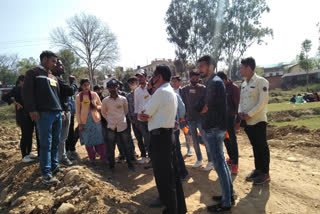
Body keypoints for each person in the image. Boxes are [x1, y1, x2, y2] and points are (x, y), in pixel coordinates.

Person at [139, 65, 187, 214]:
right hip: (167, 136)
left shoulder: (160, 92)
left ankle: (171, 209)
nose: (150, 79)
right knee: (172, 175)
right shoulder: (170, 90)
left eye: (153, 76)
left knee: (165, 176)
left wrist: (144, 114)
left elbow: (144, 114)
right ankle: (180, 208)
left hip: (160, 138)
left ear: (158, 77)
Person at [197, 55, 234, 213]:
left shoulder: (214, 83)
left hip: (213, 128)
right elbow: (204, 105)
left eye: (202, 66)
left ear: (211, 67)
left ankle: (226, 202)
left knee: (219, 164)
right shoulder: (214, 82)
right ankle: (229, 195)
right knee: (222, 163)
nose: (200, 70)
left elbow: (205, 106)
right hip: (216, 127)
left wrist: (201, 108)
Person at [23, 50, 62, 185]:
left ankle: (54, 166)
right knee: (46, 144)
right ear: (44, 59)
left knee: (56, 141)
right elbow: (27, 93)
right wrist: (32, 110)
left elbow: (57, 94)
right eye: (53, 61)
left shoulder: (53, 77)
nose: (55, 64)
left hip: (57, 112)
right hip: (43, 113)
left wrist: (60, 109)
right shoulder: (33, 73)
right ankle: (46, 174)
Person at [238, 57, 270, 185]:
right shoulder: (244, 84)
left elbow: (262, 102)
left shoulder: (261, 82)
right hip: (247, 121)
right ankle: (258, 170)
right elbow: (241, 101)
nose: (240, 70)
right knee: (255, 146)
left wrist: (249, 114)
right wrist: (240, 112)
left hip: (258, 120)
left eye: (242, 67)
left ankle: (265, 173)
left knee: (262, 147)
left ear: (249, 68)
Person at [2, 75, 39, 163]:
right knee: (25, 135)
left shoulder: (28, 90)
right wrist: (15, 103)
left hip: (30, 115)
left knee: (30, 134)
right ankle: (24, 155)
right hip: (22, 116)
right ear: (20, 81)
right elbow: (4, 97)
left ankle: (29, 152)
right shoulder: (16, 89)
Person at [181, 70, 212, 171]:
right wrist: (185, 117)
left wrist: (206, 110)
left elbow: (208, 101)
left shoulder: (203, 88)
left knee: (205, 140)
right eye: (193, 78)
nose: (195, 80)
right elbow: (184, 103)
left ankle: (210, 161)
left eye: (196, 78)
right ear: (189, 78)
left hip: (201, 119)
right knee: (194, 141)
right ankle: (199, 159)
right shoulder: (185, 89)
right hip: (190, 119)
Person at [101, 79, 135, 171]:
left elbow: (126, 111)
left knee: (126, 146)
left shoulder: (123, 99)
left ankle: (130, 164)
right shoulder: (105, 101)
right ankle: (111, 166)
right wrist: (109, 119)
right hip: (111, 126)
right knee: (110, 147)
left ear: (118, 87)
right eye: (110, 87)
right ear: (108, 89)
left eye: (114, 87)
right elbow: (103, 113)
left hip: (122, 126)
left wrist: (120, 119)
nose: (113, 89)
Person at [52, 59, 78, 167]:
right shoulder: (56, 78)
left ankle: (61, 158)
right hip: (62, 111)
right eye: (60, 65)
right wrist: (73, 82)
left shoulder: (57, 78)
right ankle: (60, 159)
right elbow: (70, 91)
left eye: (62, 64)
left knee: (62, 137)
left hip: (63, 110)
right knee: (61, 137)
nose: (62, 66)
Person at [76, 79, 107, 164]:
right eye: (84, 85)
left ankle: (104, 158)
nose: (86, 87)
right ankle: (92, 159)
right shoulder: (79, 96)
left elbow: (101, 106)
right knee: (88, 142)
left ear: (90, 85)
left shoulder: (94, 94)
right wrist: (80, 124)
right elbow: (77, 112)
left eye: (87, 85)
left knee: (100, 140)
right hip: (85, 122)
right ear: (81, 86)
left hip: (96, 121)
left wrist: (96, 105)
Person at [217, 72, 240, 174]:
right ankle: (231, 158)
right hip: (222, 119)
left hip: (231, 118)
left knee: (232, 141)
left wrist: (238, 121)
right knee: (226, 139)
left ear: (224, 80)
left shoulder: (234, 88)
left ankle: (235, 164)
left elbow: (238, 106)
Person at [171, 75, 193, 156]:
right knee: (175, 135)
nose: (173, 83)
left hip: (183, 117)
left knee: (186, 133)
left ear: (179, 82)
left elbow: (186, 104)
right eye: (172, 81)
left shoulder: (183, 91)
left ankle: (189, 149)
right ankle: (177, 150)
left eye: (175, 81)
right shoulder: (170, 91)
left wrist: (185, 116)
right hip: (174, 117)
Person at [134, 69, 151, 164]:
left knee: (152, 138)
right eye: (138, 77)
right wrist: (136, 119)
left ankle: (153, 157)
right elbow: (136, 105)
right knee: (145, 138)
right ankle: (147, 157)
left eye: (141, 76)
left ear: (146, 77)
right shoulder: (137, 91)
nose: (139, 78)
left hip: (151, 117)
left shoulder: (151, 87)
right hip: (141, 119)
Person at [127, 77, 145, 160]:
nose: (132, 85)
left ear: (137, 83)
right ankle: (143, 155)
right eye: (130, 83)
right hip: (134, 121)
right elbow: (129, 109)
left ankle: (149, 155)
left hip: (143, 119)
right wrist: (131, 119)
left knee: (146, 137)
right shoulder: (128, 96)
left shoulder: (142, 92)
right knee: (139, 139)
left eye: (133, 82)